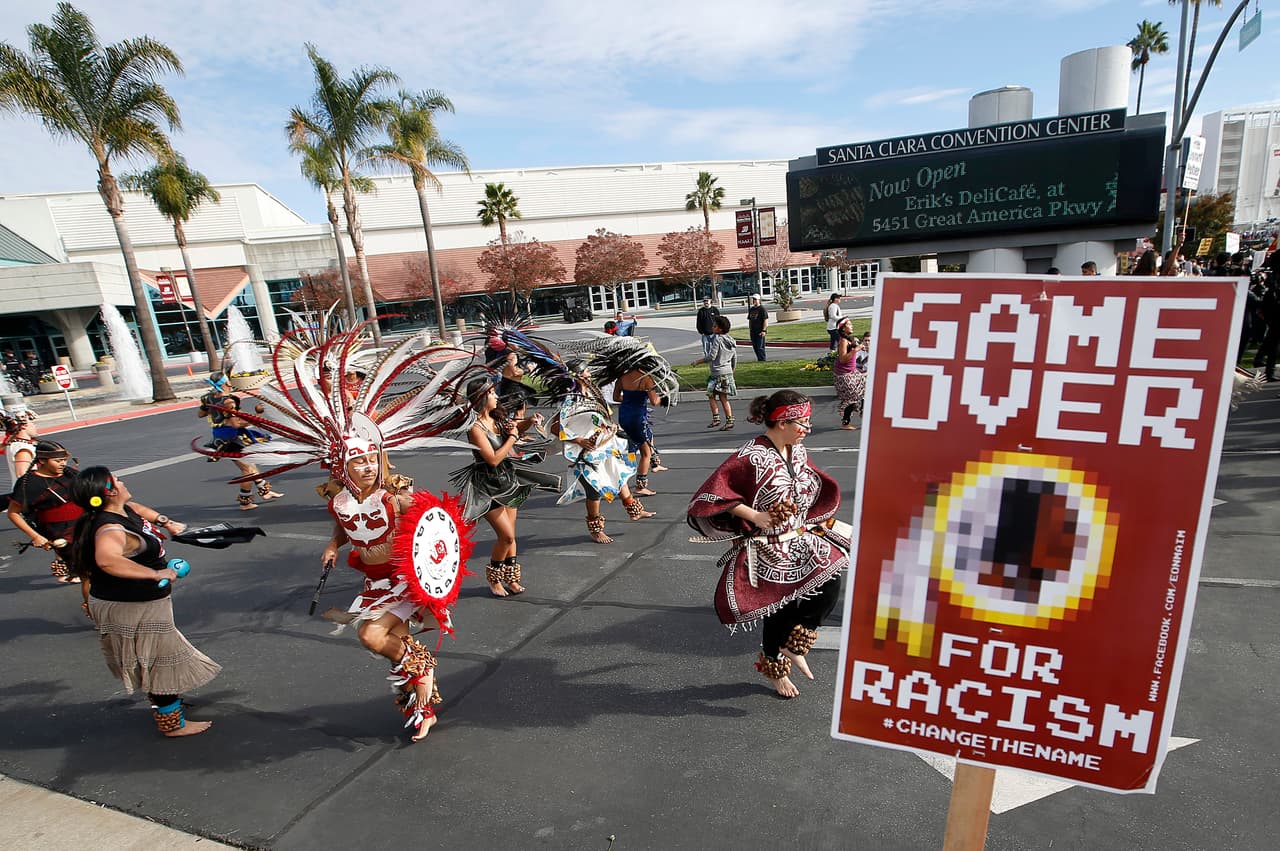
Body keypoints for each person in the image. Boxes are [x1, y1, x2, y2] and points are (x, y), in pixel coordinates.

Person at [686, 390, 850, 698]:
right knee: (780, 609)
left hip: (800, 536)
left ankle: (794, 644)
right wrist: (756, 516)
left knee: (830, 583)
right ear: (782, 422)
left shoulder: (797, 450)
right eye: (802, 422)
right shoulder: (751, 456)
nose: (807, 428)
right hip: (768, 546)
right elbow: (714, 494)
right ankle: (775, 666)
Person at [66, 466, 217, 737]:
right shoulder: (110, 528)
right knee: (160, 661)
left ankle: (167, 705)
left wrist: (166, 522)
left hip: (140, 601)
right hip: (131, 605)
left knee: (156, 657)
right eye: (116, 480)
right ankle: (172, 724)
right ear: (109, 492)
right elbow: (107, 560)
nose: (122, 481)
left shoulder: (121, 510)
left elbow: (137, 509)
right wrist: (156, 573)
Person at [451, 376, 559, 597]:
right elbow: (492, 459)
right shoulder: (475, 428)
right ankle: (494, 578)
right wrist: (512, 437)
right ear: (482, 397)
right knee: (506, 536)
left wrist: (529, 421)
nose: (496, 396)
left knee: (511, 535)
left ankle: (512, 578)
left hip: (507, 482)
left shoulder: (496, 418)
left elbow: (516, 427)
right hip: (487, 486)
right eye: (492, 393)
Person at [554, 363, 655, 544]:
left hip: (605, 446)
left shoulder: (591, 392)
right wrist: (579, 440)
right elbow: (556, 426)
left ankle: (635, 511)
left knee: (619, 476)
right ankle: (595, 529)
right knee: (594, 490)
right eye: (586, 371)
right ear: (577, 375)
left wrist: (610, 427)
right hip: (587, 452)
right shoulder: (570, 399)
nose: (589, 373)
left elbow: (600, 417)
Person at [7, 440, 86, 592]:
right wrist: (36, 536)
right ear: (42, 460)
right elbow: (13, 513)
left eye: (64, 460)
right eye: (58, 461)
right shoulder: (29, 483)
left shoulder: (70, 474)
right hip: (57, 530)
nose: (63, 464)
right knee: (83, 569)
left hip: (83, 523)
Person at [197, 372, 284, 510]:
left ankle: (265, 492)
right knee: (247, 470)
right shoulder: (229, 402)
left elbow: (201, 414)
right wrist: (256, 417)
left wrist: (217, 413)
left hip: (220, 436)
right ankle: (245, 502)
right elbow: (236, 424)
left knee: (250, 463)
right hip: (231, 439)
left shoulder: (209, 397)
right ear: (227, 383)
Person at [691, 315, 737, 430]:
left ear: (720, 329)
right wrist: (732, 369)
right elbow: (734, 357)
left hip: (716, 373)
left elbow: (712, 356)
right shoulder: (731, 340)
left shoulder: (718, 339)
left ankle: (716, 419)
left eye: (715, 326)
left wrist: (697, 361)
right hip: (727, 372)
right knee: (723, 398)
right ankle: (729, 420)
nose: (712, 327)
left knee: (711, 395)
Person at [833, 319, 865, 431]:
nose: (852, 326)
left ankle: (863, 412)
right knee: (852, 398)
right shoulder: (843, 341)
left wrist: (856, 344)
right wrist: (856, 349)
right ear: (843, 328)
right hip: (844, 375)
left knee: (864, 389)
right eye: (849, 324)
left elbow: (854, 347)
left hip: (852, 372)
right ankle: (845, 423)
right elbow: (843, 359)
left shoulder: (848, 339)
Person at [2, 408, 39, 484]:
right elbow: (23, 477)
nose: (35, 426)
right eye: (32, 423)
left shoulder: (15, 444)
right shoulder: (23, 449)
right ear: (23, 426)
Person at [746, 294, 769, 362]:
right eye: (753, 299)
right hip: (753, 331)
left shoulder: (762, 309)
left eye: (755, 299)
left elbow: (765, 320)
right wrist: (750, 328)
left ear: (759, 300)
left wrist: (764, 330)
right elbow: (750, 320)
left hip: (760, 331)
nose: (754, 301)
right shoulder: (751, 309)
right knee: (755, 346)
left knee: (760, 347)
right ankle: (759, 359)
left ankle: (762, 360)